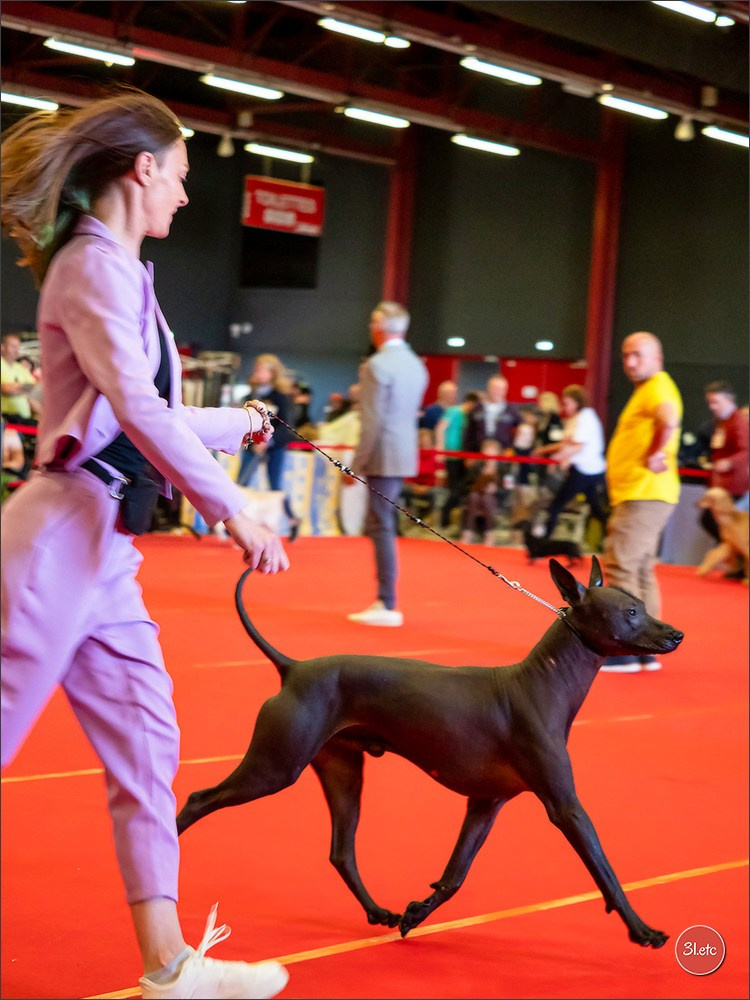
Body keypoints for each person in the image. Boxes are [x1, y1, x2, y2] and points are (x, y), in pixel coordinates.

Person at [0, 89, 291, 1000]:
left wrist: (239, 422)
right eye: (181, 175)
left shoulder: (123, 271)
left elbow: (146, 411)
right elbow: (134, 406)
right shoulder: (92, 268)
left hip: (106, 550)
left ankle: (171, 970)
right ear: (143, 168)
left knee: (148, 750)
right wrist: (231, 508)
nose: (185, 194)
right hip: (55, 544)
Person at [601, 332, 683, 674]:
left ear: (656, 357)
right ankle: (649, 648)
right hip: (649, 493)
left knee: (621, 566)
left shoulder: (658, 387)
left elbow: (669, 419)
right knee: (641, 569)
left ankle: (625, 650)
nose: (630, 362)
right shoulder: (651, 388)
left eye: (637, 355)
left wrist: (655, 452)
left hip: (643, 492)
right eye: (625, 355)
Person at [345, 301, 428, 627]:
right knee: (384, 525)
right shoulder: (416, 365)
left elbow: (373, 420)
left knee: (381, 527)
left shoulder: (376, 365)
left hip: (381, 453)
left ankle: (387, 602)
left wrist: (355, 465)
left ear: (379, 327)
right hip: (403, 452)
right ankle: (385, 599)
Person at [236, 353, 300, 541]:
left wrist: (266, 441)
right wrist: (252, 440)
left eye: (263, 370)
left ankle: (292, 519)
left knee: (275, 487)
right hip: (252, 445)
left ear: (273, 373)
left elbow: (286, 426)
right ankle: (237, 523)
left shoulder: (281, 396)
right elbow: (244, 420)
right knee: (242, 483)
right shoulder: (250, 395)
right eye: (257, 369)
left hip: (275, 446)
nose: (259, 373)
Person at [534, 384, 608, 541]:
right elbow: (566, 443)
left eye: (567, 403)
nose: (564, 406)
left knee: (557, 504)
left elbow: (577, 446)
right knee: (595, 508)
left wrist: (556, 459)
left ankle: (544, 541)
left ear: (576, 402)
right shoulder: (576, 419)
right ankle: (610, 536)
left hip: (585, 470)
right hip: (586, 469)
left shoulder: (585, 418)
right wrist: (544, 450)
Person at [699, 381, 749, 577]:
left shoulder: (738, 422)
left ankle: (735, 562)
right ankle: (734, 563)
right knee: (723, 529)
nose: (712, 407)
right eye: (710, 402)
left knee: (714, 522)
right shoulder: (723, 422)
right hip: (721, 484)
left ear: (729, 399)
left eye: (715, 402)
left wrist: (729, 462)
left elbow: (745, 451)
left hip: (733, 486)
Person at [434, 389, 481, 530]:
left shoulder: (470, 416)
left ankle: (455, 521)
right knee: (454, 489)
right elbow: (440, 428)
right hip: (452, 454)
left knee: (462, 489)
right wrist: (440, 449)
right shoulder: (454, 411)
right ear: (470, 402)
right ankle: (444, 517)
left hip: (464, 456)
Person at [462, 374, 520, 454]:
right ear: (488, 388)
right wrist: (467, 455)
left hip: (504, 456)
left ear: (505, 390)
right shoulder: (476, 409)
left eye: (500, 388)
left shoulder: (512, 411)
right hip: (478, 454)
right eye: (494, 388)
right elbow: (468, 433)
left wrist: (511, 449)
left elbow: (519, 432)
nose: (497, 391)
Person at [1, 332, 40, 421]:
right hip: (7, 418)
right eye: (13, 346)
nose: (17, 350)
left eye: (18, 346)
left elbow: (35, 388)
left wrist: (15, 387)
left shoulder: (20, 368)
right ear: (2, 347)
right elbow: (6, 389)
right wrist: (25, 388)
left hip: (24, 418)